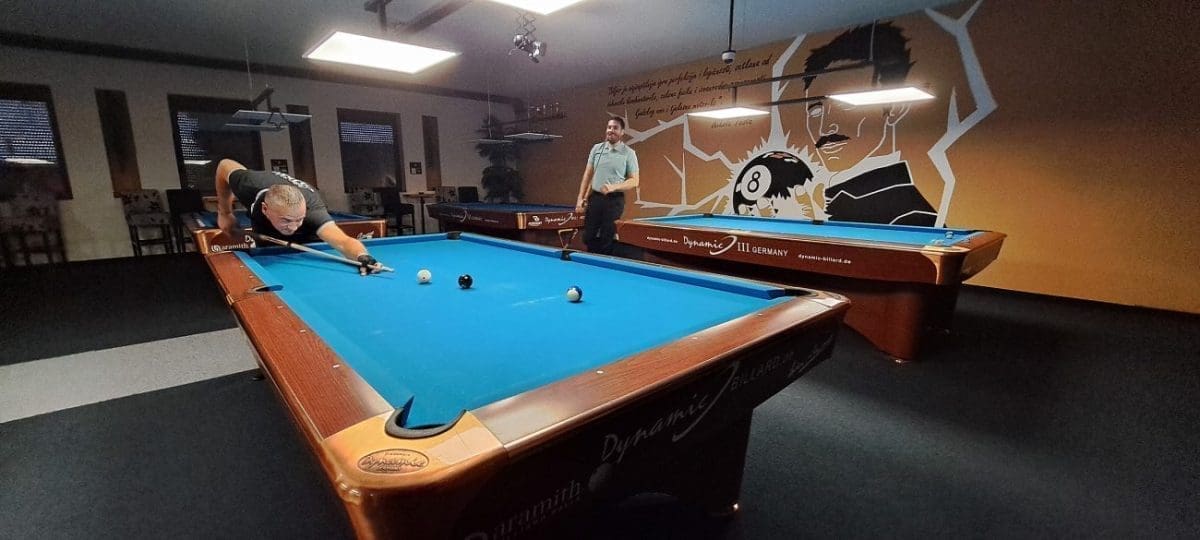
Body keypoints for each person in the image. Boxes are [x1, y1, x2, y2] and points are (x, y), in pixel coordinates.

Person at [213, 159, 384, 275]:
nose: (294, 226)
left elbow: (343, 242)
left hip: (306, 242)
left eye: (299, 219)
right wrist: (225, 212)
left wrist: (363, 257)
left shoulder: (313, 212)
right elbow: (224, 165)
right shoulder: (248, 183)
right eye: (286, 220)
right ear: (265, 209)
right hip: (265, 235)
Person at [574, 118, 639, 255]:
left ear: (622, 132)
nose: (611, 130)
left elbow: (634, 181)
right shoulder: (596, 149)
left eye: (615, 128)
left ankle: (604, 262)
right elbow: (588, 175)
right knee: (588, 236)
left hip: (614, 200)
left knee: (606, 238)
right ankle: (592, 260)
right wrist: (581, 198)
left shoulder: (629, 153)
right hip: (595, 198)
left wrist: (613, 187)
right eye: (609, 127)